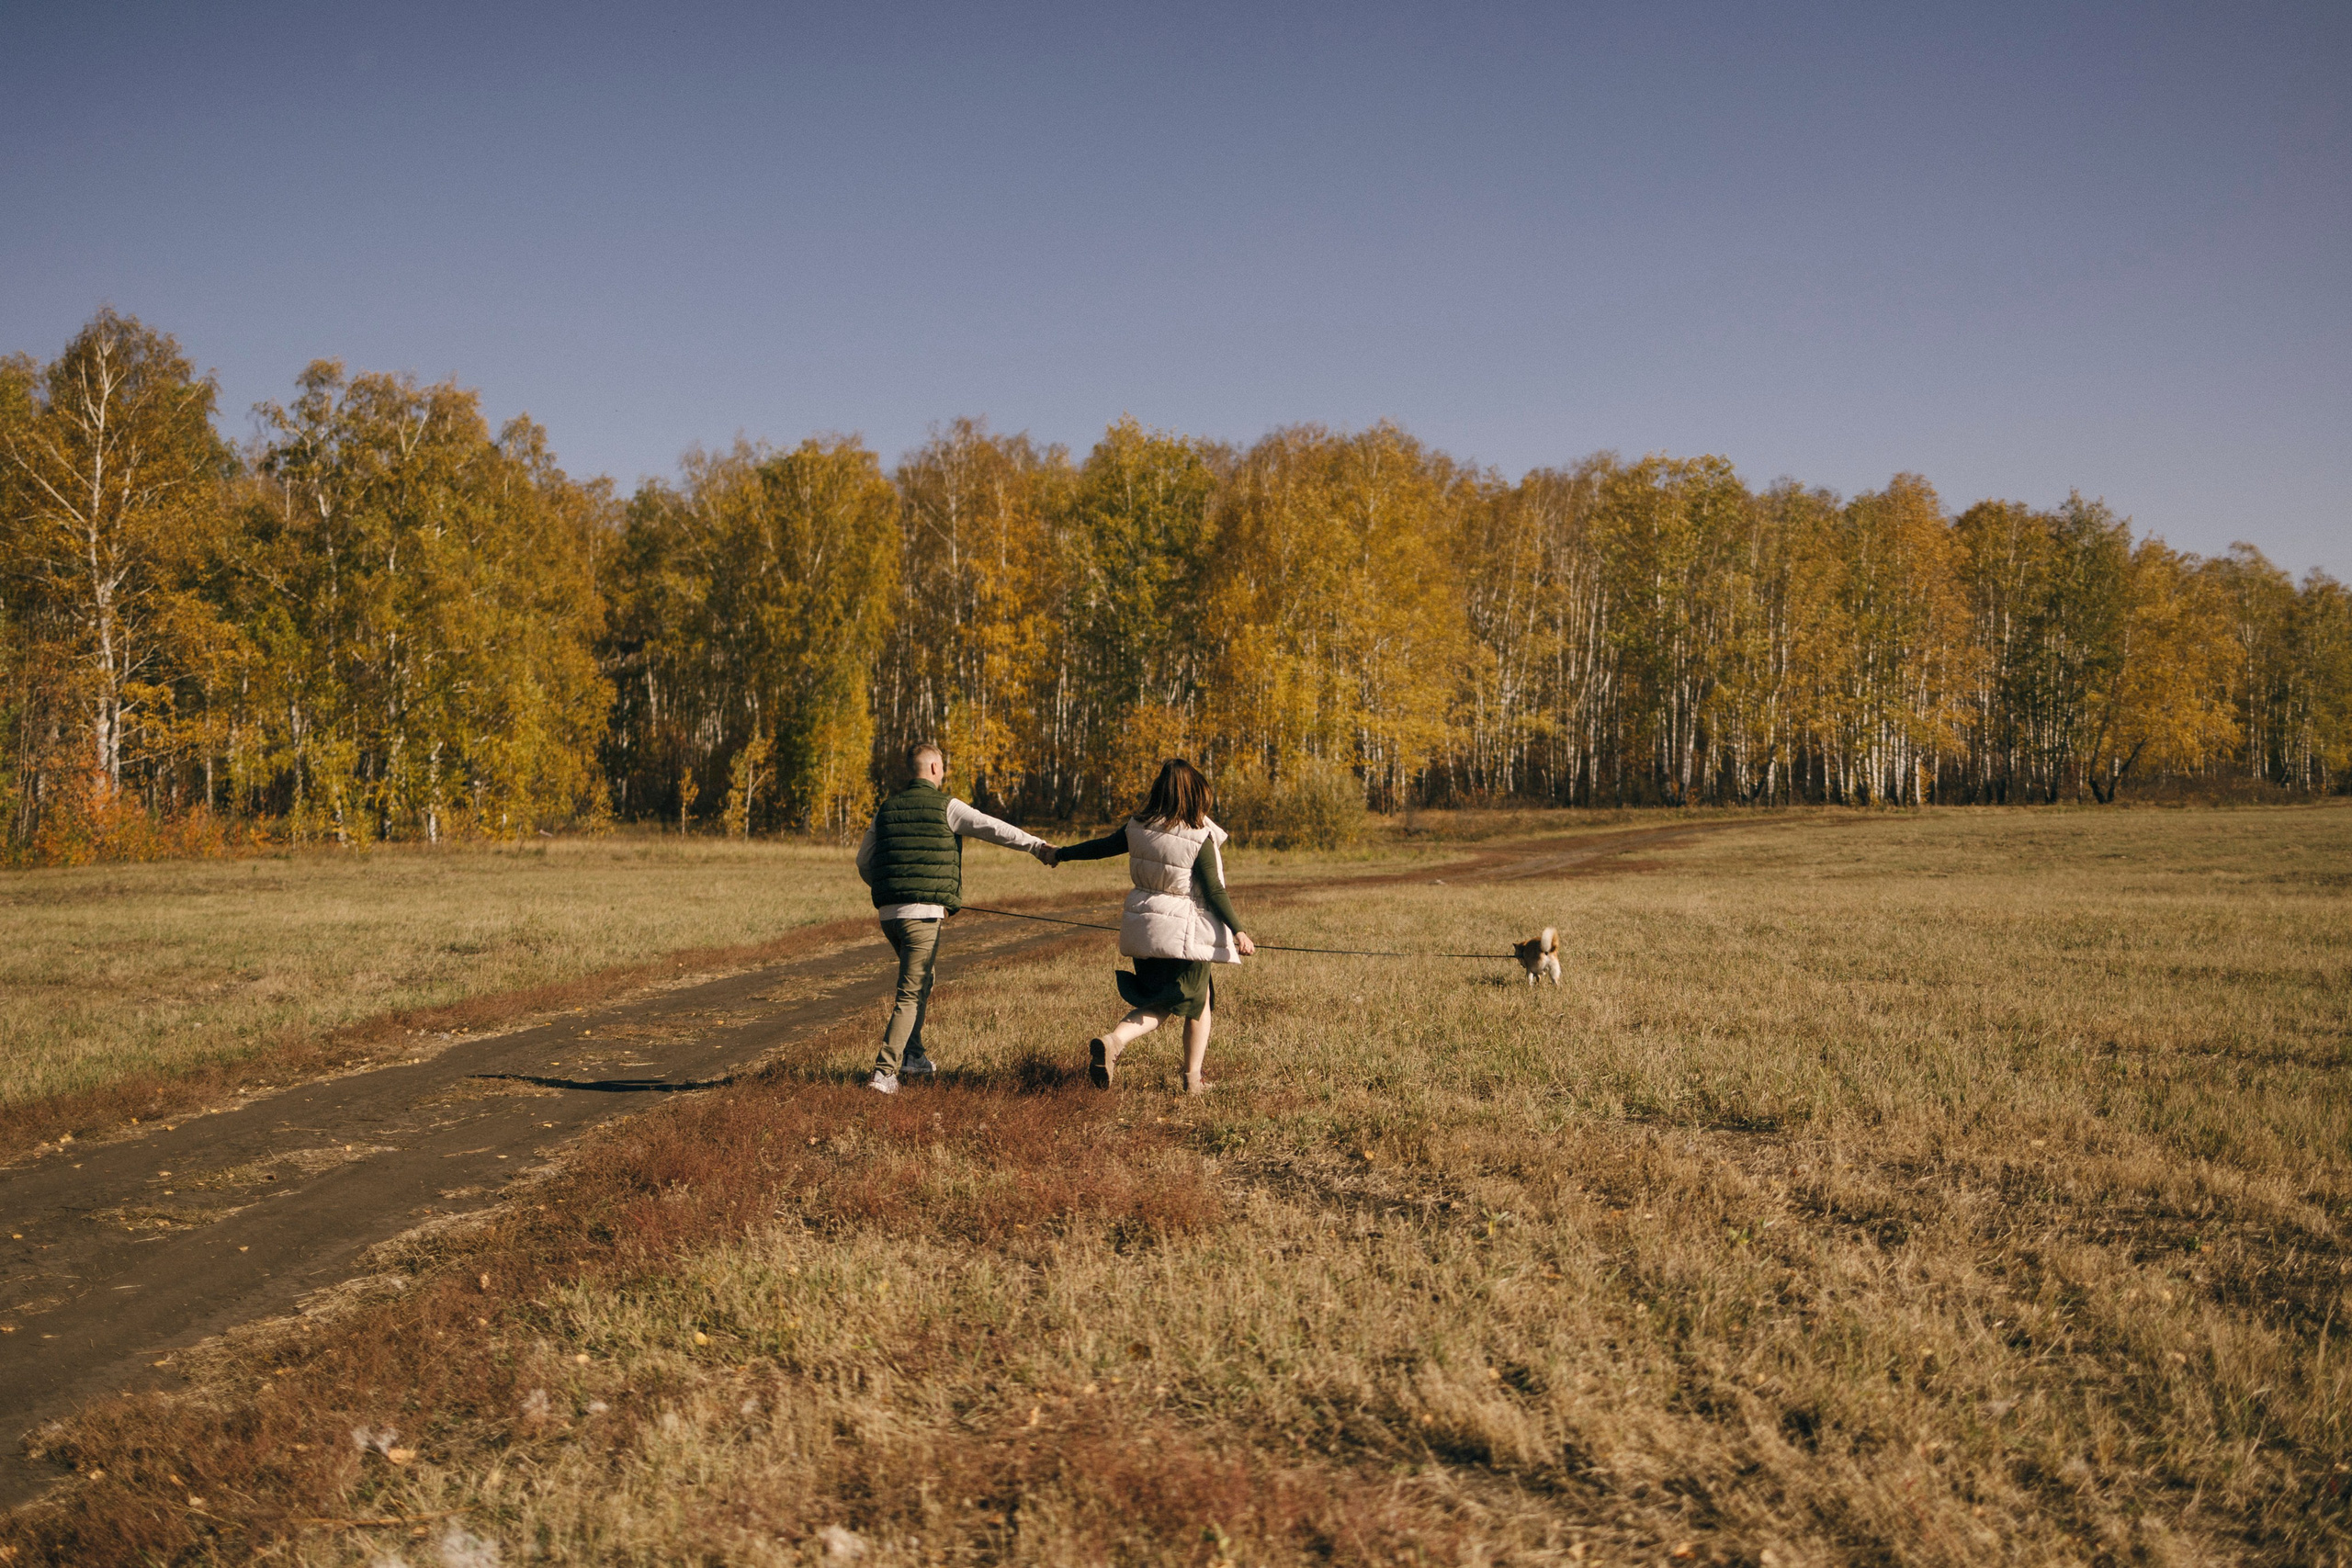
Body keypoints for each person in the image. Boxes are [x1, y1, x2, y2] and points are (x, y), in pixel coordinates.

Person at [854, 740, 1057, 1093]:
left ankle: (914, 1056)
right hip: (922, 916)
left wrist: (892, 889)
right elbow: (993, 828)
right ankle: (884, 1074)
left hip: (889, 915)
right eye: (943, 767)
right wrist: (1037, 846)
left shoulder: (885, 809)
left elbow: (863, 862)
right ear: (935, 768)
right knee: (910, 992)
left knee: (924, 979)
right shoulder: (947, 806)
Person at [1052, 759, 1254, 1094]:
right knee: (1185, 1003)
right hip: (1183, 933)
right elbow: (1214, 890)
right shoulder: (1197, 836)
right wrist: (1239, 931)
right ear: (1196, 795)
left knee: (1177, 999)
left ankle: (1127, 1047)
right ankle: (1177, 1072)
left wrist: (1061, 853)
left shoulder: (1138, 827)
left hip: (1144, 929)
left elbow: (1100, 848)